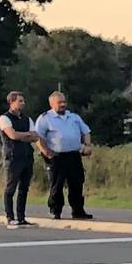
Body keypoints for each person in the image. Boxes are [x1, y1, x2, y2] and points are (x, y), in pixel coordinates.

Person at [34, 91, 94, 220]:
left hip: (73, 155)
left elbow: (86, 131)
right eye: (59, 102)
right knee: (57, 184)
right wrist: (45, 151)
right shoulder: (45, 118)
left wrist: (87, 145)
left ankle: (78, 210)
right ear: (51, 104)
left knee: (77, 183)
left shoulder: (74, 117)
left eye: (64, 102)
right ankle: (55, 210)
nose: (63, 104)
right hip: (56, 156)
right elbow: (38, 136)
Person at [0, 91, 40, 227]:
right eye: (20, 101)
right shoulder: (4, 118)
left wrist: (25, 135)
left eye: (23, 101)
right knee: (10, 187)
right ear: (12, 102)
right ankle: (10, 216)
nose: (23, 103)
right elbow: (12, 135)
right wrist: (27, 135)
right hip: (13, 157)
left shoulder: (27, 119)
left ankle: (21, 216)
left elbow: (35, 136)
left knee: (24, 188)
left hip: (27, 156)